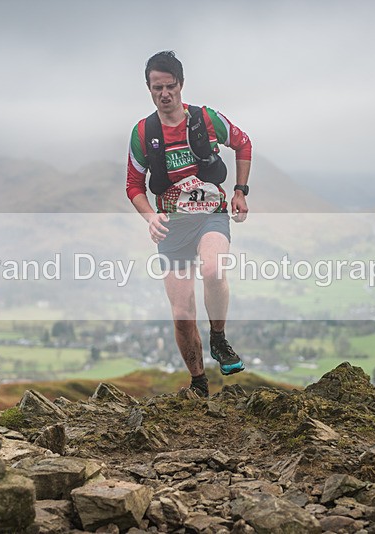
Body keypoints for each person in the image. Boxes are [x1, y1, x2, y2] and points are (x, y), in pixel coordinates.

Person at [126, 51, 252, 398]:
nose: (164, 94)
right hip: (172, 226)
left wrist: (240, 191)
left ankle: (219, 338)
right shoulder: (142, 133)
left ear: (181, 84)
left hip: (211, 214)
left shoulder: (207, 119)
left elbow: (243, 143)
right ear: (149, 89)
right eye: (157, 88)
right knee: (182, 312)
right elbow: (133, 186)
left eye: (170, 86)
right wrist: (150, 217)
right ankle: (198, 383)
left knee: (213, 269)